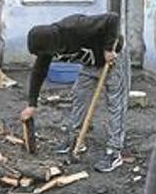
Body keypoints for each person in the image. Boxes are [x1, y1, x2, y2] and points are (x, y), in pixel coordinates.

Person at [20, 12, 129, 173]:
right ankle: (76, 140)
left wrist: (107, 49)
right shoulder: (48, 46)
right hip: (91, 65)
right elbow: (39, 72)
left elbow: (112, 18)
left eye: (43, 53)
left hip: (113, 59)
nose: (44, 56)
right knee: (79, 95)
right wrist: (32, 104)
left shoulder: (75, 26)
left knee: (116, 103)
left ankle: (114, 152)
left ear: (51, 44)